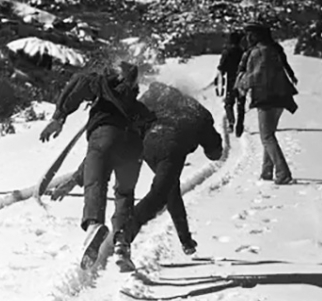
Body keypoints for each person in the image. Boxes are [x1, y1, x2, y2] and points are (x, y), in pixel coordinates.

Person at [48, 82, 223, 271]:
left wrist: (76, 178)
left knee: (167, 189)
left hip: (143, 144)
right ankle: (124, 237)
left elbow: (112, 136)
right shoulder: (197, 112)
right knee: (159, 194)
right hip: (171, 151)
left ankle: (183, 240)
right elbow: (214, 152)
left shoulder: (153, 99)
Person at [39, 59, 156, 270]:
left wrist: (59, 117)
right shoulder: (139, 107)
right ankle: (122, 243)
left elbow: (79, 83)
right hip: (134, 147)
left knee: (97, 185)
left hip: (104, 137)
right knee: (124, 194)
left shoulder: (102, 84)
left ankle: (94, 225)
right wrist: (73, 181)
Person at [236, 21, 298, 185]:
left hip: (267, 97)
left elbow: (257, 75)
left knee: (267, 136)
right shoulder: (272, 49)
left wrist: (241, 83)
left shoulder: (259, 52)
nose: (247, 37)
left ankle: (283, 173)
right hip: (280, 97)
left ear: (256, 35)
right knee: (269, 134)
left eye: (250, 34)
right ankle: (267, 171)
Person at [216, 31, 246, 134]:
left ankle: (231, 122)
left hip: (231, 80)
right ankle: (240, 124)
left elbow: (222, 67)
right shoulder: (244, 52)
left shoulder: (227, 52)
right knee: (241, 103)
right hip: (242, 79)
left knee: (229, 103)